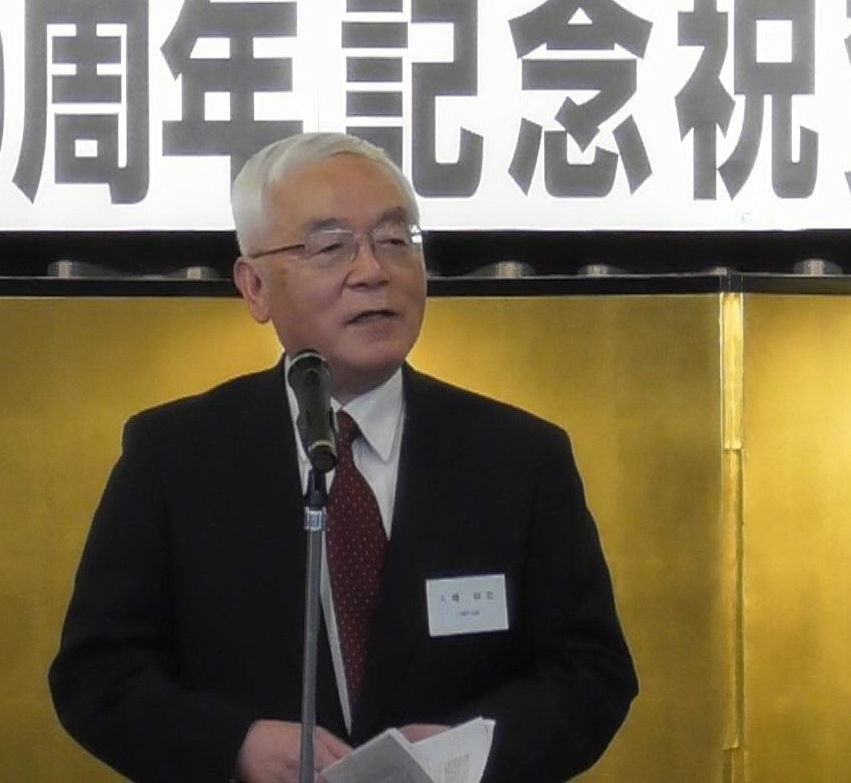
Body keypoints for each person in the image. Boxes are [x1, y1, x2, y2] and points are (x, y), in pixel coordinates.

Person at [49, 132, 636, 783]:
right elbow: (98, 674)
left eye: (395, 239)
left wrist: (467, 751)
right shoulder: (175, 457)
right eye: (330, 247)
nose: (372, 271)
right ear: (255, 287)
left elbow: (592, 672)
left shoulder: (519, 458)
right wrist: (236, 745)